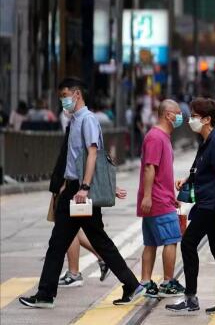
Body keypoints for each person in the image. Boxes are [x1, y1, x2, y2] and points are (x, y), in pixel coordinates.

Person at [19, 78, 144, 309]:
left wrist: (85, 187)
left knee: (60, 242)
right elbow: (78, 159)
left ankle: (46, 294)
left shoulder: (87, 120)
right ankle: (132, 285)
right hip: (74, 188)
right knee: (92, 240)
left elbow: (93, 153)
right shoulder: (75, 120)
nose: (63, 100)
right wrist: (73, 184)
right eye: (61, 96)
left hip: (79, 191)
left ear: (77, 94)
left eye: (65, 95)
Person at [165, 98, 215, 314]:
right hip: (209, 203)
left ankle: (191, 298)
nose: (191, 120)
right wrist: (187, 180)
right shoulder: (206, 140)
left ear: (207, 119)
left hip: (212, 205)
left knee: (188, 243)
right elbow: (201, 169)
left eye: (195, 116)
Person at [46, 117, 110, 289]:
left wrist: (64, 184)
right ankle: (100, 258)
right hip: (70, 181)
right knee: (71, 227)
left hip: (71, 183)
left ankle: (74, 272)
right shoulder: (79, 121)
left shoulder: (82, 121)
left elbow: (74, 155)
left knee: (67, 226)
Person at [138, 99, 186, 298]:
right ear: (168, 115)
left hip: (160, 197)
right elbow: (150, 167)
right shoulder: (156, 137)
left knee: (150, 242)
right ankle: (168, 282)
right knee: (172, 239)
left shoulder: (162, 137)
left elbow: (162, 171)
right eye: (178, 113)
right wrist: (148, 196)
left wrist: (171, 195)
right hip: (157, 200)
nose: (181, 116)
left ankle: (145, 283)